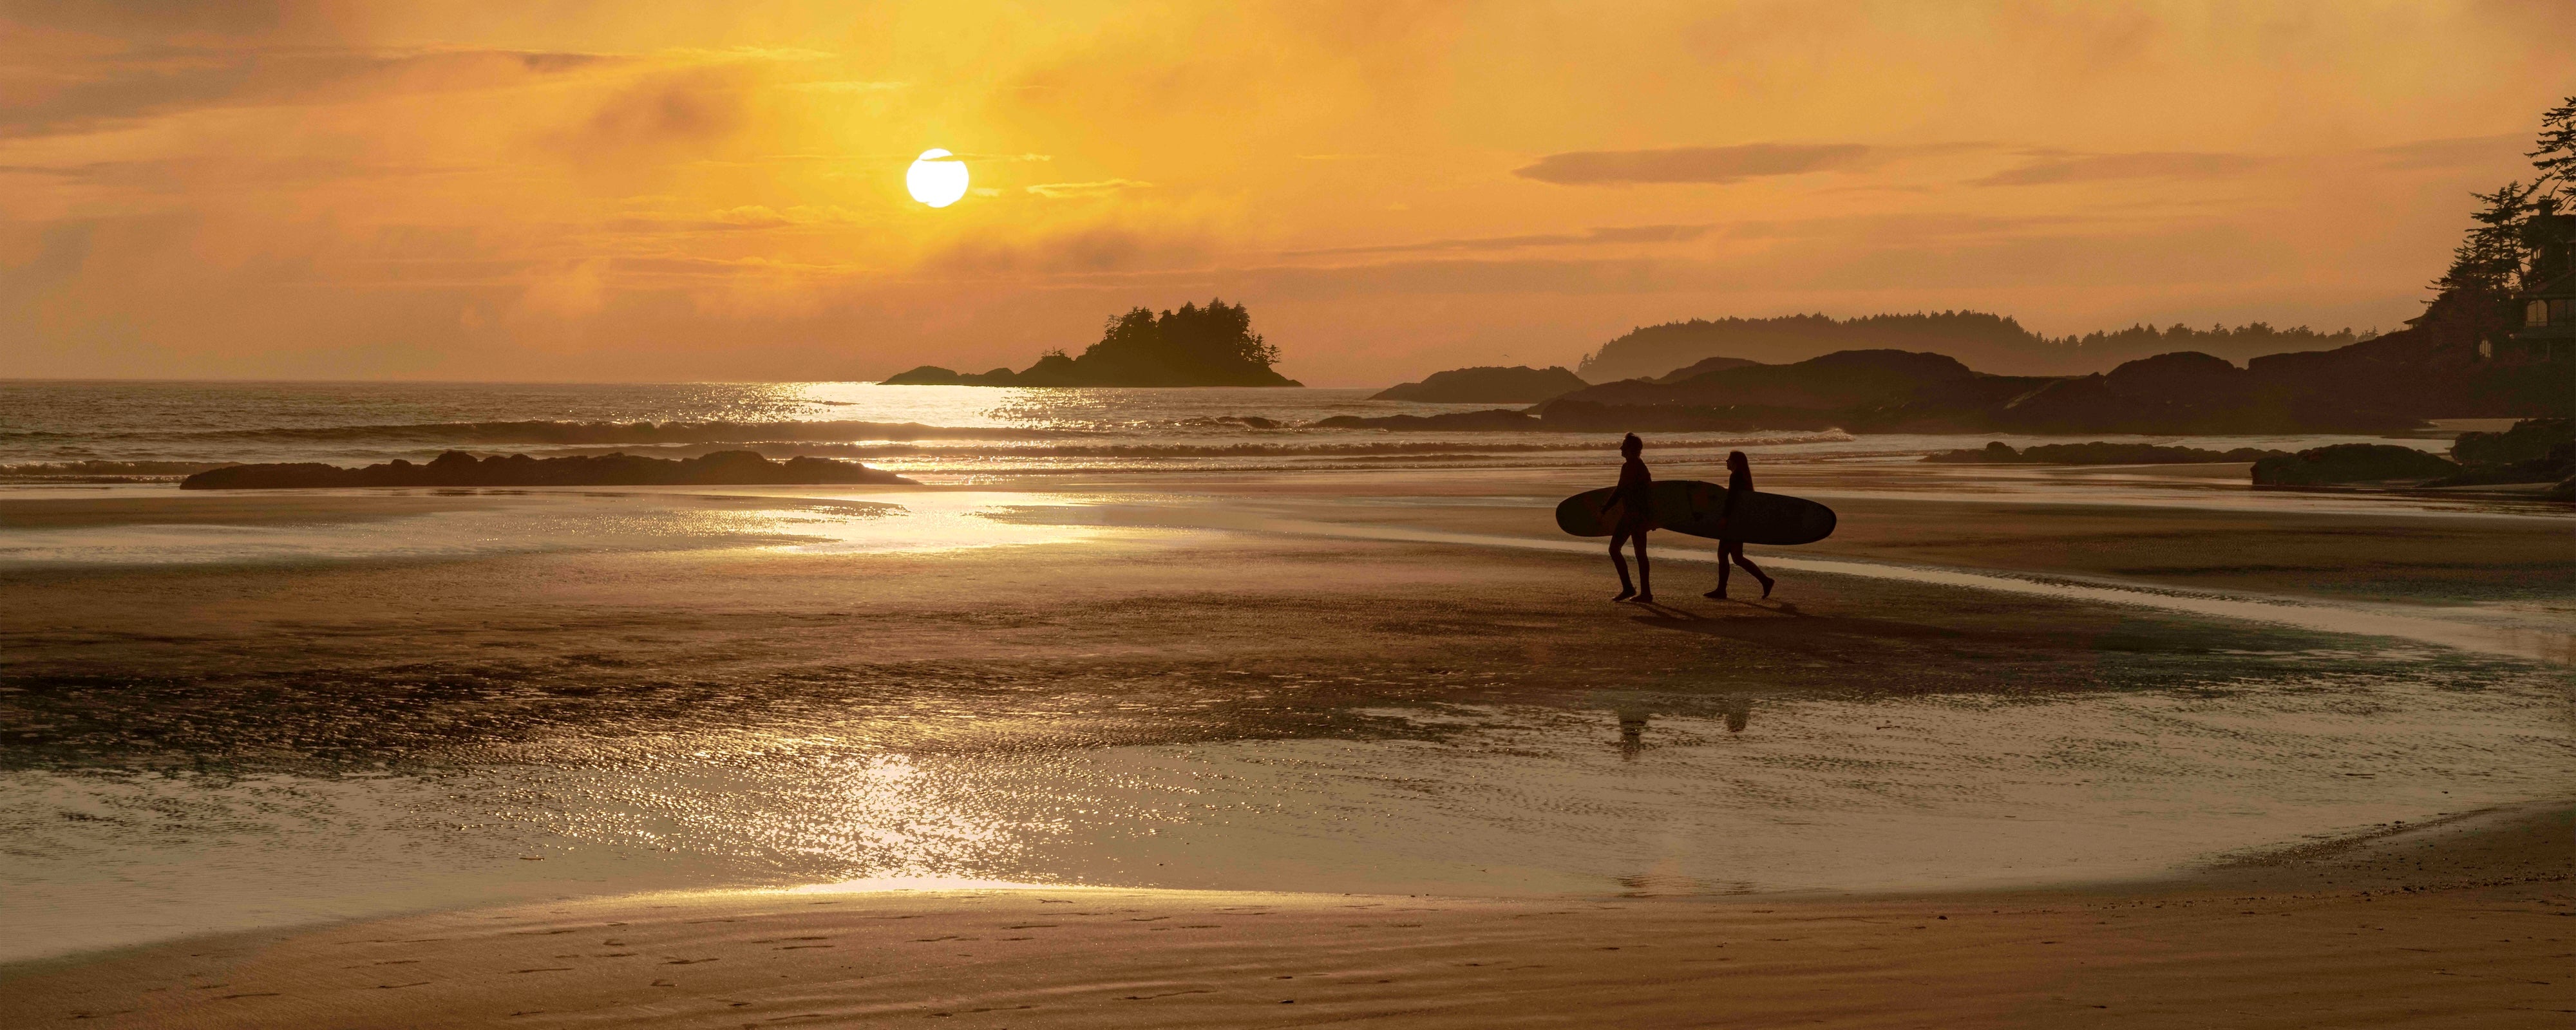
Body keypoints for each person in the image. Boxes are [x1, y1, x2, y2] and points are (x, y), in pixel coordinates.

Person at [1705, 449, 1776, 600]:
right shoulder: (1743, 476)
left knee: (1723, 554)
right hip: (1740, 521)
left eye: (1728, 459)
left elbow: (1732, 500)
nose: (1726, 461)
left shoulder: (1736, 476)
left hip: (1734, 522)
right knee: (1737, 557)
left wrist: (1724, 518)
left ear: (1735, 462)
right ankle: (1766, 581)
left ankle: (1722, 590)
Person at [1600, 433, 1653, 603]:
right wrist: (1651, 517)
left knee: (1614, 550)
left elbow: (1621, 490)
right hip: (1640, 515)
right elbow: (1649, 494)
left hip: (1632, 516)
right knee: (1640, 554)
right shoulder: (1641, 465)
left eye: (1623, 445)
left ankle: (1629, 588)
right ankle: (1645, 593)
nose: (1621, 448)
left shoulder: (1630, 466)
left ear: (1630, 449)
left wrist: (1606, 508)